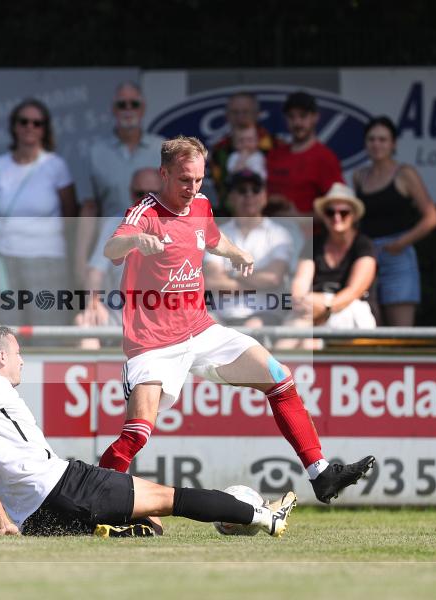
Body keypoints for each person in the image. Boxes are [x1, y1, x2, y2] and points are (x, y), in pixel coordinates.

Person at [98, 136, 374, 505]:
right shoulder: (144, 214)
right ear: (163, 174)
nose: (192, 188)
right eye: (184, 180)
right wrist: (134, 242)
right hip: (152, 342)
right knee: (137, 434)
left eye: (198, 180)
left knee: (279, 378)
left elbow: (211, 239)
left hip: (200, 329)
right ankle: (93, 500)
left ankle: (320, 473)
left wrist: (235, 251)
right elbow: (110, 248)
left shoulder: (200, 204)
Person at [0, 325, 297, 537]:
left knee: (151, 527)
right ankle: (265, 517)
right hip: (64, 485)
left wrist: (2, 524)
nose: (21, 360)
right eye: (17, 353)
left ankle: (117, 534)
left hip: (36, 519)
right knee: (170, 499)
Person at [0, 99, 77, 328]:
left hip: (47, 259)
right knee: (3, 330)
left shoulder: (56, 165)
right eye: (24, 121)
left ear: (45, 129)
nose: (30, 127)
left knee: (48, 328)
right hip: (2, 260)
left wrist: (74, 260)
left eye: (37, 123)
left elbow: (71, 215)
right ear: (14, 126)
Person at [353, 116, 436, 326]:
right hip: (367, 256)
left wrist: (402, 242)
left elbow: (432, 217)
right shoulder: (359, 176)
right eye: (372, 139)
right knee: (369, 325)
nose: (377, 144)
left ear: (393, 144)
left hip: (397, 256)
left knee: (401, 329)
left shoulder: (405, 173)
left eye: (383, 139)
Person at [74, 82, 164, 285]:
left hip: (157, 245)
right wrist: (80, 260)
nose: (128, 110)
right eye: (122, 105)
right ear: (114, 110)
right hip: (111, 249)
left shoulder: (163, 149)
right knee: (110, 309)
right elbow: (89, 208)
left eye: (134, 104)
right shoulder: (95, 152)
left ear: (143, 108)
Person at [75, 167, 162, 349]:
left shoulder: (179, 221)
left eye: (153, 193)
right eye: (140, 193)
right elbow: (95, 271)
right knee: (84, 322)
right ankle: (92, 378)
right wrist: (92, 303)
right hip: (121, 311)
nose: (146, 199)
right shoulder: (115, 223)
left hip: (166, 311)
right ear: (131, 193)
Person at [282, 183, 377, 350]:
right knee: (292, 336)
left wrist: (324, 306)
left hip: (350, 312)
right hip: (310, 312)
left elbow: (354, 291)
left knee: (304, 343)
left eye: (344, 212)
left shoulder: (364, 245)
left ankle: (273, 368)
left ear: (354, 216)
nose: (336, 217)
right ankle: (269, 371)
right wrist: (307, 303)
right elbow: (298, 288)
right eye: (330, 212)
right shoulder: (313, 243)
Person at [203, 169, 293, 328]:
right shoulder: (217, 233)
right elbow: (211, 281)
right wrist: (258, 284)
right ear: (230, 197)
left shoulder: (279, 234)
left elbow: (273, 278)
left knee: (252, 329)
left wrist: (232, 273)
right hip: (220, 317)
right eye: (242, 190)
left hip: (264, 316)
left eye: (255, 189)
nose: (249, 195)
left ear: (264, 196)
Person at [266, 91, 342, 217]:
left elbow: (339, 207)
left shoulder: (325, 157)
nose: (297, 123)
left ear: (315, 117)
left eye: (303, 116)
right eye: (291, 117)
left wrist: (301, 217)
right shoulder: (274, 154)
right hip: (269, 232)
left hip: (309, 235)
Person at [208, 92, 278, 210]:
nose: (240, 116)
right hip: (231, 216)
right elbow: (220, 188)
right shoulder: (218, 150)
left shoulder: (275, 145)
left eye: (245, 111)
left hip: (268, 215)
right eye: (235, 112)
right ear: (227, 116)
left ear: (257, 114)